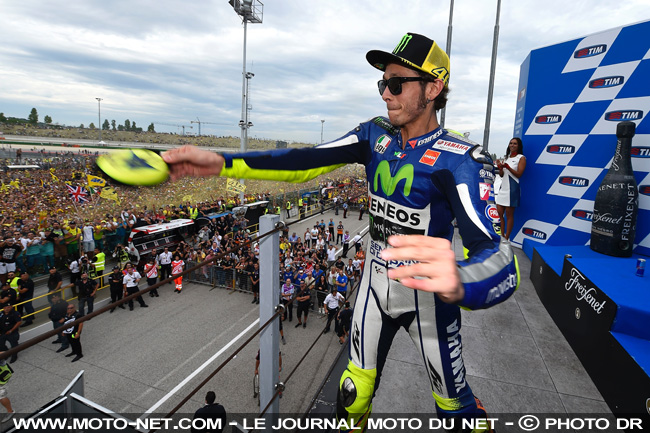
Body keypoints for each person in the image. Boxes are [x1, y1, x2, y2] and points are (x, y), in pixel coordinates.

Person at [161, 32, 518, 430]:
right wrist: (222, 162)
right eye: (383, 84)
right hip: (374, 288)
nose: (386, 95)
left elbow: (500, 256)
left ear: (433, 88)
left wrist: (461, 280)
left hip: (431, 303)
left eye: (397, 84)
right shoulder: (374, 134)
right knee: (351, 395)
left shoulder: (462, 159)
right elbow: (305, 161)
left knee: (456, 410)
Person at [496, 137, 526, 240]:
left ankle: (506, 238)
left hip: (512, 189)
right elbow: (501, 175)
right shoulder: (507, 158)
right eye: (511, 143)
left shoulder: (521, 158)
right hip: (503, 189)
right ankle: (501, 236)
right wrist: (500, 168)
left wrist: (508, 167)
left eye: (515, 143)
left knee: (509, 215)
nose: (512, 145)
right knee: (500, 213)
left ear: (519, 146)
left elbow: (519, 174)